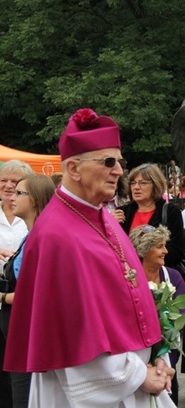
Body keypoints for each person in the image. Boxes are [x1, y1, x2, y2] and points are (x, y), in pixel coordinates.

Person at [4, 108, 175, 407]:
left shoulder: (101, 216)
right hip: (94, 388)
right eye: (108, 162)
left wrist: (158, 354)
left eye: (120, 161)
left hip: (131, 377)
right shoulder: (56, 235)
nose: (120, 170)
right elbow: (71, 335)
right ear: (73, 169)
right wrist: (138, 376)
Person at [0, 175, 55, 408]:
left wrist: (1, 297)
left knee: (25, 397)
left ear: (35, 200)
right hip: (20, 332)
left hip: (28, 334)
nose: (12, 196)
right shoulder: (32, 235)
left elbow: (34, 293)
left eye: (19, 193)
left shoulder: (41, 237)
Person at [129, 224, 185, 406]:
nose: (166, 251)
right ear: (143, 250)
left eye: (165, 245)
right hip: (136, 348)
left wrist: (164, 326)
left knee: (167, 382)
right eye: (159, 246)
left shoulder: (172, 276)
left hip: (168, 346)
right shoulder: (129, 278)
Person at [0, 160, 33, 405]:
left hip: (23, 301)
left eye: (16, 182)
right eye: (4, 180)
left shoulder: (32, 216)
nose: (9, 186)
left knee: (20, 371)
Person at [114, 163, 185, 273]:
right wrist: (110, 224)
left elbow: (177, 251)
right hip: (127, 274)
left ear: (156, 185)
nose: (136, 187)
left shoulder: (170, 211)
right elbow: (112, 247)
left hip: (159, 276)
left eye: (143, 183)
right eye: (133, 183)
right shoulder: (122, 212)